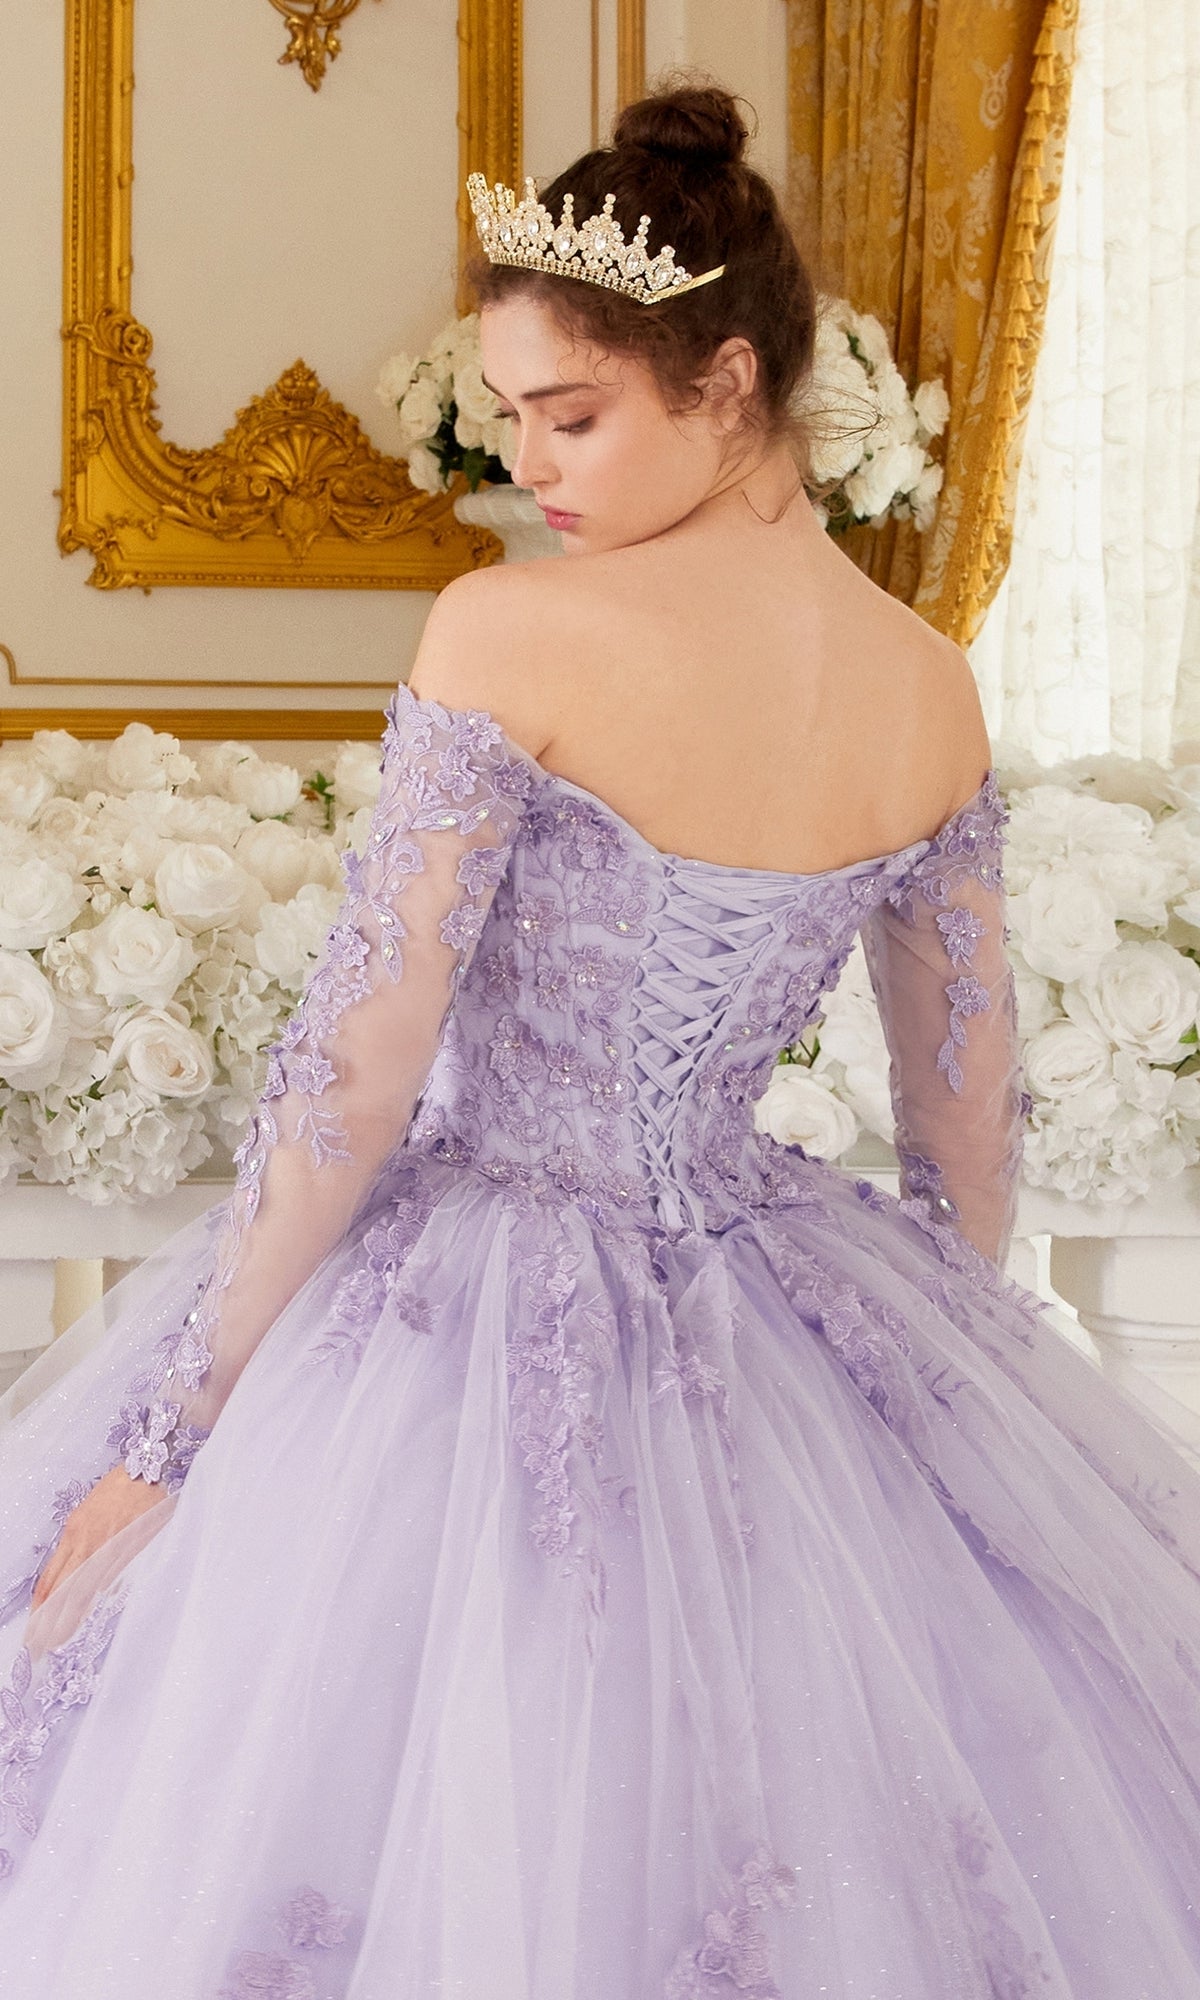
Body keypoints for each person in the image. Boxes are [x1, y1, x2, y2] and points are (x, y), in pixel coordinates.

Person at [1, 80, 1199, 2000]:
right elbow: (965, 1112)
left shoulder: (512, 635)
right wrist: (938, 1419)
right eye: (511, 419)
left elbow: (355, 1077)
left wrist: (170, 1430)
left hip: (468, 1298)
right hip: (794, 1309)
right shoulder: (927, 684)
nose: (528, 469)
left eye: (574, 417)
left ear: (728, 381)